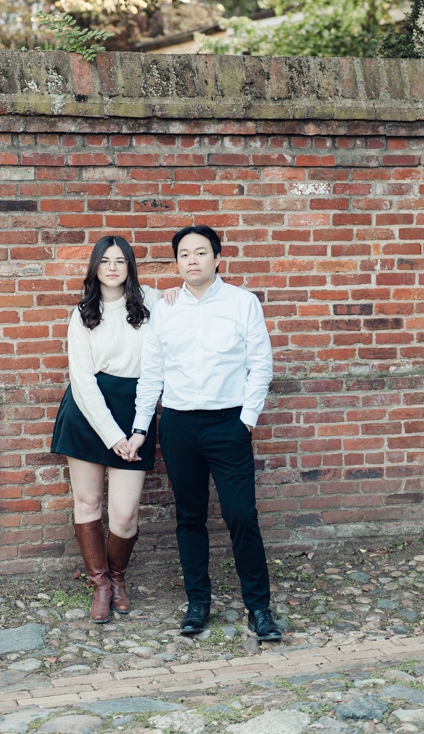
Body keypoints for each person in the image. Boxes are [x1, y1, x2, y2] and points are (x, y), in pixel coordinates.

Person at [124, 225, 281, 641]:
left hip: (228, 423)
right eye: (184, 255)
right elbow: (151, 373)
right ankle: (198, 603)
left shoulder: (243, 303)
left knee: (241, 515)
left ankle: (259, 608)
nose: (192, 260)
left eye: (200, 252)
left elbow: (260, 365)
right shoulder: (166, 307)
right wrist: (141, 429)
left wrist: (246, 420)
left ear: (217, 258)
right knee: (189, 517)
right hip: (178, 425)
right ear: (177, 263)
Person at [51, 235, 178, 624]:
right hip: (88, 414)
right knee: (88, 504)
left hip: (135, 409)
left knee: (124, 515)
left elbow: (190, 303)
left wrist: (177, 293)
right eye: (104, 261)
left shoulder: (151, 302)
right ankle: (102, 584)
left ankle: (120, 577)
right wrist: (113, 436)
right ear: (95, 267)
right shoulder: (82, 314)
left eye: (120, 261)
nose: (112, 267)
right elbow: (83, 382)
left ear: (129, 267)